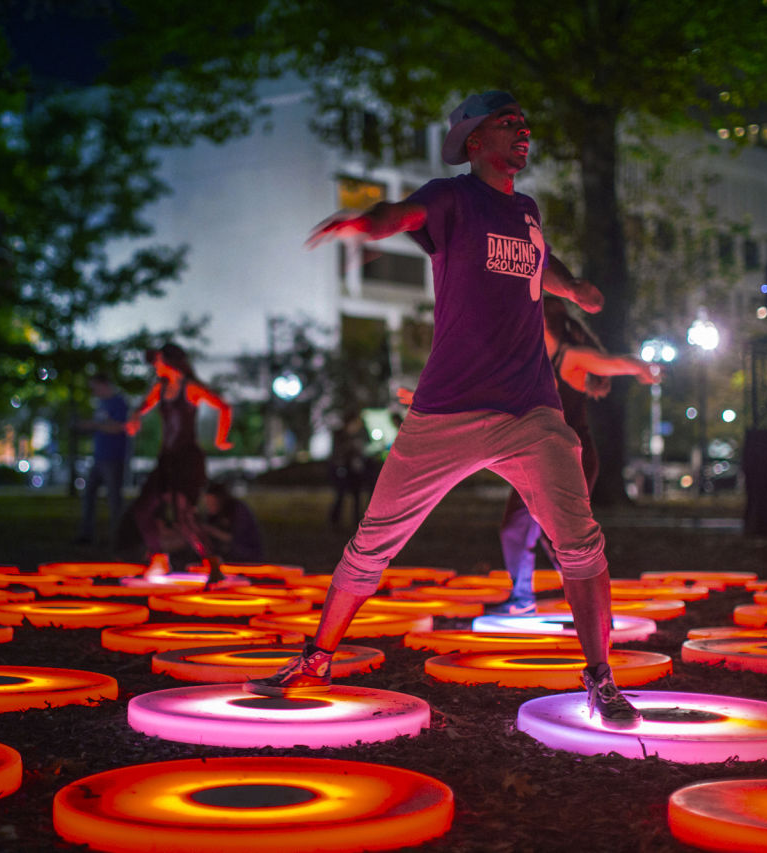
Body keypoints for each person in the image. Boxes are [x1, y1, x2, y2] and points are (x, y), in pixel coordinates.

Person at [247, 90, 640, 724]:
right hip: (449, 409)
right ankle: (317, 657)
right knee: (372, 543)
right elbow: (398, 213)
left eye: (524, 121)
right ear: (473, 143)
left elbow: (541, 258)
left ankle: (600, 677)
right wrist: (366, 224)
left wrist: (574, 289)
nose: (522, 130)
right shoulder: (453, 198)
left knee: (581, 542)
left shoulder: (529, 210)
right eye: (506, 124)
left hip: (530, 411)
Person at [492, 297, 659, 615]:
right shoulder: (530, 359)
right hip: (534, 457)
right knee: (515, 526)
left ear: (542, 323)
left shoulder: (570, 357)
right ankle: (522, 598)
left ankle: (592, 605)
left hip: (572, 457)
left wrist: (640, 367)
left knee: (560, 534)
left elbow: (612, 362)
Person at [125, 343, 233, 566]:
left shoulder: (190, 389)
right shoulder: (160, 389)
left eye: (158, 361)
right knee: (144, 509)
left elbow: (223, 407)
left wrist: (220, 439)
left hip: (187, 460)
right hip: (167, 460)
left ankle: (212, 563)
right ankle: (158, 556)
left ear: (169, 362)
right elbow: (142, 407)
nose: (155, 366)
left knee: (185, 516)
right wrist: (135, 418)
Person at [74, 373, 130, 549]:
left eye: (95, 387)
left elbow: (120, 427)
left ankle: (119, 537)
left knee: (114, 498)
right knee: (89, 493)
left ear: (104, 384)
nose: (94, 391)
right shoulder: (101, 404)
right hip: (98, 458)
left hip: (114, 458)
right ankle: (87, 533)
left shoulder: (119, 402)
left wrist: (95, 425)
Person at [327, 412, 369, 528]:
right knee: (340, 495)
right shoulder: (339, 435)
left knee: (357, 496)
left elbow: (363, 451)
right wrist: (350, 446)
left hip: (355, 470)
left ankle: (356, 521)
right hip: (342, 470)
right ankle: (334, 521)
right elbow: (336, 453)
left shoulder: (358, 435)